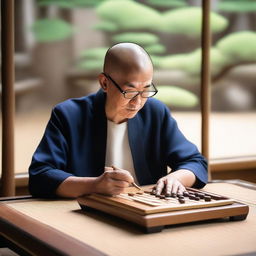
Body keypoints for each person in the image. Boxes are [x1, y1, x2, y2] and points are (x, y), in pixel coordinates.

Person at [29, 42, 208, 198]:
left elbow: (195, 162)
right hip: (86, 213)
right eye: (129, 91)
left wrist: (176, 178)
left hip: (146, 209)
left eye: (146, 89)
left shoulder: (155, 112)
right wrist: (95, 185)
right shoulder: (68, 114)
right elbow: (41, 176)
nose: (138, 101)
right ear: (104, 83)